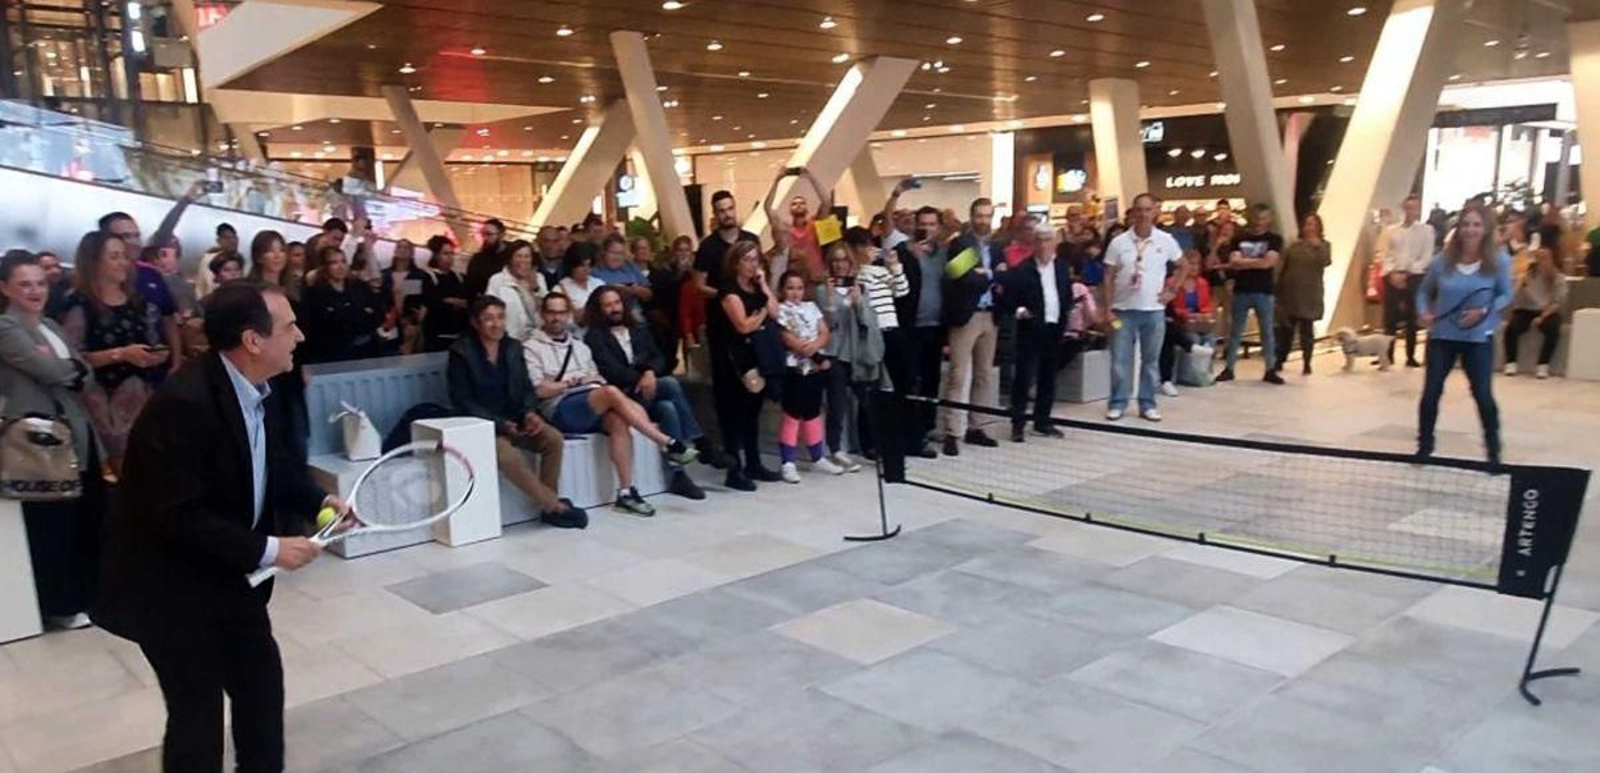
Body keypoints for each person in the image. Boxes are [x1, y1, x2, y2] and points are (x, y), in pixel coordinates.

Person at [94, 281, 343, 773]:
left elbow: (273, 466)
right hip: (168, 589)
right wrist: (271, 550)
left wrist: (320, 501)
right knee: (197, 714)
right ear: (253, 340)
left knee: (261, 691)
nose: (300, 335)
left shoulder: (258, 389)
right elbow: (176, 515)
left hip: (228, 578)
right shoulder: (185, 405)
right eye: (289, 326)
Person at [0, 251, 106, 630]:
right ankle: (58, 605)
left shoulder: (50, 327)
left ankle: (85, 595)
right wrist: (68, 370)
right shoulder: (7, 328)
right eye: (24, 284)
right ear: (6, 288)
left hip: (75, 433)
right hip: (38, 441)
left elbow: (84, 373)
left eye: (40, 283)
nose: (34, 290)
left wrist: (67, 369)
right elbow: (47, 369)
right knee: (51, 524)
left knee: (85, 517)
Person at [524, 292, 698, 515]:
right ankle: (668, 443)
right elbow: (539, 389)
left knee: (617, 420)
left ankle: (625, 492)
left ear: (568, 315)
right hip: (559, 407)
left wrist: (583, 381)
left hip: (591, 399)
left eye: (561, 313)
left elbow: (596, 377)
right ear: (543, 314)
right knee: (611, 393)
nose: (556, 318)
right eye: (551, 313)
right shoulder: (531, 347)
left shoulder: (579, 347)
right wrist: (570, 382)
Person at [449, 296, 586, 528]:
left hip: (515, 418)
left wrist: (530, 413)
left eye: (500, 317)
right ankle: (554, 506)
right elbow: (463, 402)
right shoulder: (461, 352)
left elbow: (524, 388)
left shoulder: (512, 347)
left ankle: (548, 505)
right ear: (475, 323)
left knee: (552, 439)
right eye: (488, 319)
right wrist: (501, 425)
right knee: (507, 456)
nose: (496, 324)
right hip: (483, 425)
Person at [56, 231, 172, 473]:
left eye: (124, 256)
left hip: (138, 398)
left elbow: (152, 337)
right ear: (95, 262)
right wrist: (120, 354)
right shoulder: (80, 304)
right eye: (114, 257)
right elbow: (71, 359)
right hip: (98, 404)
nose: (123, 262)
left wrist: (155, 354)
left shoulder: (136, 301)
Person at [584, 286, 706, 500]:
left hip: (646, 393)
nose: (614, 309)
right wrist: (642, 378)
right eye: (608, 305)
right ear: (599, 309)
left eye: (616, 303)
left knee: (667, 407)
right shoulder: (594, 337)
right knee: (669, 384)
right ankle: (699, 440)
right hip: (622, 396)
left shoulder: (639, 328)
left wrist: (649, 372)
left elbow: (658, 357)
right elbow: (612, 371)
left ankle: (678, 475)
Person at [1416, 202, 1513, 465]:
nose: (1471, 230)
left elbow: (1506, 294)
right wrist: (1424, 312)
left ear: (1485, 228)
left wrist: (1485, 311)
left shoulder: (1499, 261)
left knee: (1482, 393)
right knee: (1431, 391)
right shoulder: (1441, 262)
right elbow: (1424, 291)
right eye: (1466, 224)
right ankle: (1424, 445)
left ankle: (1493, 449)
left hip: (1478, 337)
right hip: (1442, 336)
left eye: (1476, 225)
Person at [694, 190, 764, 485]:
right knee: (728, 400)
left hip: (751, 332)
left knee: (754, 396)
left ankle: (754, 461)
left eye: (730, 208)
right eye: (720, 210)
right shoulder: (708, 247)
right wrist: (728, 292)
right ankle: (734, 466)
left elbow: (761, 280)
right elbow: (699, 285)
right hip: (723, 332)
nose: (726, 214)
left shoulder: (750, 238)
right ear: (714, 213)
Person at [1102, 193, 1186, 422]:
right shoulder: (1119, 242)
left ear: (1155, 212)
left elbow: (1183, 266)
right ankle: (1118, 402)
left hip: (1154, 311)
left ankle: (1147, 403)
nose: (1143, 214)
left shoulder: (1165, 240)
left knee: (1151, 360)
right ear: (1132, 212)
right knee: (1120, 360)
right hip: (1123, 310)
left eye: (1148, 210)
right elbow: (1108, 276)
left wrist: (1171, 290)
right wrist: (1107, 307)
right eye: (1139, 209)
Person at [716, 241, 782, 490]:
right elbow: (742, 325)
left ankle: (754, 463)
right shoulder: (729, 291)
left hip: (758, 355)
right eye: (748, 259)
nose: (753, 264)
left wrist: (764, 286)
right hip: (735, 359)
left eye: (756, 259)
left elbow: (776, 312)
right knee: (735, 414)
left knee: (752, 413)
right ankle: (734, 470)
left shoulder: (756, 288)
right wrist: (762, 312)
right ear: (736, 263)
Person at [939, 197, 1002, 456]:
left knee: (983, 375)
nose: (983, 221)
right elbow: (959, 278)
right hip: (966, 316)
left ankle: (976, 427)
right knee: (957, 375)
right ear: (971, 216)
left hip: (991, 315)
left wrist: (986, 275)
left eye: (988, 216)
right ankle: (952, 432)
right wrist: (990, 277)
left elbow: (1004, 278)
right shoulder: (960, 244)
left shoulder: (998, 247)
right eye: (979, 215)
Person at [1000, 226, 1075, 441]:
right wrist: (1020, 311)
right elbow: (1007, 299)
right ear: (1034, 244)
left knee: (1048, 376)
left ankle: (1043, 420)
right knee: (1023, 376)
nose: (1044, 245)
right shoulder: (1023, 269)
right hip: (1031, 328)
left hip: (1054, 327)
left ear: (1054, 244)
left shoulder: (1061, 267)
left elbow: (1066, 294)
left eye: (1048, 240)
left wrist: (1065, 316)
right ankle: (1018, 423)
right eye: (1040, 240)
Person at [817, 235, 884, 470]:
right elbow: (829, 322)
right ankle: (835, 448)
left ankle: (873, 446)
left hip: (858, 354)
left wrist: (858, 304)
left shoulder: (860, 288)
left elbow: (869, 321)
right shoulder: (822, 290)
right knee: (837, 404)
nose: (840, 264)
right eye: (835, 260)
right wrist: (832, 300)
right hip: (835, 354)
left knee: (867, 401)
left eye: (844, 260)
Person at [774, 270, 846, 482]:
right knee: (792, 414)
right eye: (790, 288)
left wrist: (816, 345)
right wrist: (812, 354)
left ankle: (818, 456)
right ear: (782, 290)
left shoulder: (811, 307)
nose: (795, 293)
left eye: (799, 288)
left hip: (815, 370)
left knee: (813, 412)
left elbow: (824, 331)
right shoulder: (780, 310)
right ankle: (788, 461)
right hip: (794, 368)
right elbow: (788, 338)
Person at [893, 204, 950, 456]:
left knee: (931, 380)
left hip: (936, 326)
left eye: (931, 224)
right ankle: (911, 435)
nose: (926, 228)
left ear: (939, 228)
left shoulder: (945, 253)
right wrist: (911, 259)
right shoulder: (904, 250)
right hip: (911, 327)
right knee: (911, 382)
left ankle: (927, 427)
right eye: (922, 223)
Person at [1218, 203, 1285, 385]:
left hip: (1264, 290)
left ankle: (1270, 368)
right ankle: (1229, 368)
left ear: (1269, 220)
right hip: (1242, 290)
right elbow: (1234, 261)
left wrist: (1244, 262)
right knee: (1235, 331)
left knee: (1267, 332)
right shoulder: (1238, 239)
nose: (1259, 223)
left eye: (1263, 218)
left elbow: (1269, 263)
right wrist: (1258, 261)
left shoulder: (1274, 239)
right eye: (1256, 218)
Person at [1378, 195, 1437, 368]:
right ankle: (1387, 355)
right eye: (1407, 208)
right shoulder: (1391, 230)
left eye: (1413, 208)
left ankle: (1410, 356)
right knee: (1389, 318)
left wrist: (1408, 272)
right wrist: (1392, 273)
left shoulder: (1426, 230)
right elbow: (1385, 253)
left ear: (1418, 210)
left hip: (1414, 276)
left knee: (1412, 317)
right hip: (1392, 275)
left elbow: (1426, 256)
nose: (1409, 211)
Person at [300, 245, 384, 363]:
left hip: (366, 352)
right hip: (331, 355)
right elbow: (316, 328)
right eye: (334, 262)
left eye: (343, 261)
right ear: (325, 267)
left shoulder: (359, 287)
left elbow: (377, 314)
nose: (340, 267)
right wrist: (359, 314)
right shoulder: (315, 293)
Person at [1274, 213, 1332, 375]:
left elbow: (1325, 261)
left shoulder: (1324, 245)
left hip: (1310, 294)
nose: (1309, 227)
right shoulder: (1294, 246)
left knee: (1307, 330)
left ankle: (1307, 362)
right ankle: (1280, 359)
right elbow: (1283, 266)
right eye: (1307, 224)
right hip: (1290, 293)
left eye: (1312, 224)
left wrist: (1317, 245)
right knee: (1286, 330)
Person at [1503, 247, 1567, 379]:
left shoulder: (1557, 277)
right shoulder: (1527, 276)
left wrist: (1543, 316)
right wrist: (1520, 285)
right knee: (1511, 328)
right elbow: (1514, 298)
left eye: (1545, 258)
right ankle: (1511, 362)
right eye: (1539, 258)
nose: (1542, 262)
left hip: (1547, 310)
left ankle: (1543, 364)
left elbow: (1558, 302)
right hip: (1526, 310)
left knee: (1553, 329)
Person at [1158, 250, 1215, 395]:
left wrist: (1204, 314)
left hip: (1194, 320)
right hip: (1179, 319)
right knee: (1182, 334)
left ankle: (1203, 373)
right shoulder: (1171, 282)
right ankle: (1188, 372)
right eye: (1191, 264)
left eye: (1197, 264)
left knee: (1209, 337)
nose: (1194, 267)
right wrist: (1187, 314)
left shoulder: (1202, 283)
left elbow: (1206, 304)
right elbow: (1171, 308)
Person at [763, 166, 833, 281]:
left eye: (802, 203)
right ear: (790, 209)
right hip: (792, 280)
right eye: (794, 203)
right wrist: (777, 180)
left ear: (807, 208)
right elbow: (767, 208)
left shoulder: (814, 223)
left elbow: (826, 202)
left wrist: (811, 178)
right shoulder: (785, 229)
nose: (799, 205)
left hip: (815, 278)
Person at [647, 235, 694, 377]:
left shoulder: (694, 273)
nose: (683, 254)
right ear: (674, 252)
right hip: (668, 317)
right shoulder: (662, 272)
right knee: (668, 353)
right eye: (680, 250)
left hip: (688, 316)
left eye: (687, 250)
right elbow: (660, 291)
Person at [486, 239, 547, 341]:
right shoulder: (497, 280)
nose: (523, 260)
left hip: (535, 340)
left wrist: (535, 289)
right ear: (510, 259)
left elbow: (545, 311)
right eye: (518, 256)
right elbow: (490, 312)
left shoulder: (539, 278)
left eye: (527, 256)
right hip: (507, 340)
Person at [423, 235, 471, 352]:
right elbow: (433, 302)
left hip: (459, 334)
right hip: (436, 336)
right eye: (445, 254)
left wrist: (453, 301)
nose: (449, 258)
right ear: (435, 255)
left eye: (451, 254)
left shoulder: (459, 277)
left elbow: (468, 300)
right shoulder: (426, 276)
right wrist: (450, 302)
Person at [592, 234, 652, 313]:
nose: (617, 257)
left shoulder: (629, 266)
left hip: (636, 313)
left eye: (621, 254)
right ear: (604, 252)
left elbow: (649, 295)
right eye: (614, 253)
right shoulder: (595, 272)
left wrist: (633, 290)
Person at [247, 230, 301, 301]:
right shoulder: (251, 290)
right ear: (258, 257)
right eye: (270, 251)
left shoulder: (292, 287)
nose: (277, 256)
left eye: (282, 250)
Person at [465, 218, 510, 298]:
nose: (485, 238)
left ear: (501, 235)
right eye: (483, 235)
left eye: (489, 234)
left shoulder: (514, 254)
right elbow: (471, 287)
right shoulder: (478, 260)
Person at [558, 243, 603, 314]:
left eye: (589, 265)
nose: (586, 269)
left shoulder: (599, 283)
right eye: (581, 265)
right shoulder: (561, 288)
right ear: (572, 265)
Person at [536, 225, 567, 291]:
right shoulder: (531, 265)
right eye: (546, 241)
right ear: (538, 242)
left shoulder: (568, 267)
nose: (550, 245)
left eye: (555, 241)